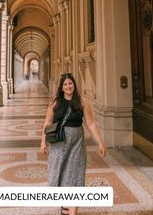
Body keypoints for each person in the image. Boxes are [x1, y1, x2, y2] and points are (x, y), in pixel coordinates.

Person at [40, 73, 107, 215]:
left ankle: (72, 211)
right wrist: (43, 142)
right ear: (62, 87)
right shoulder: (55, 102)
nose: (68, 86)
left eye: (70, 83)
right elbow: (47, 122)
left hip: (76, 144)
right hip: (58, 143)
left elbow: (91, 123)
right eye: (65, 84)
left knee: (75, 174)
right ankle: (65, 204)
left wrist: (100, 143)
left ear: (74, 85)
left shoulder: (82, 102)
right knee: (60, 172)